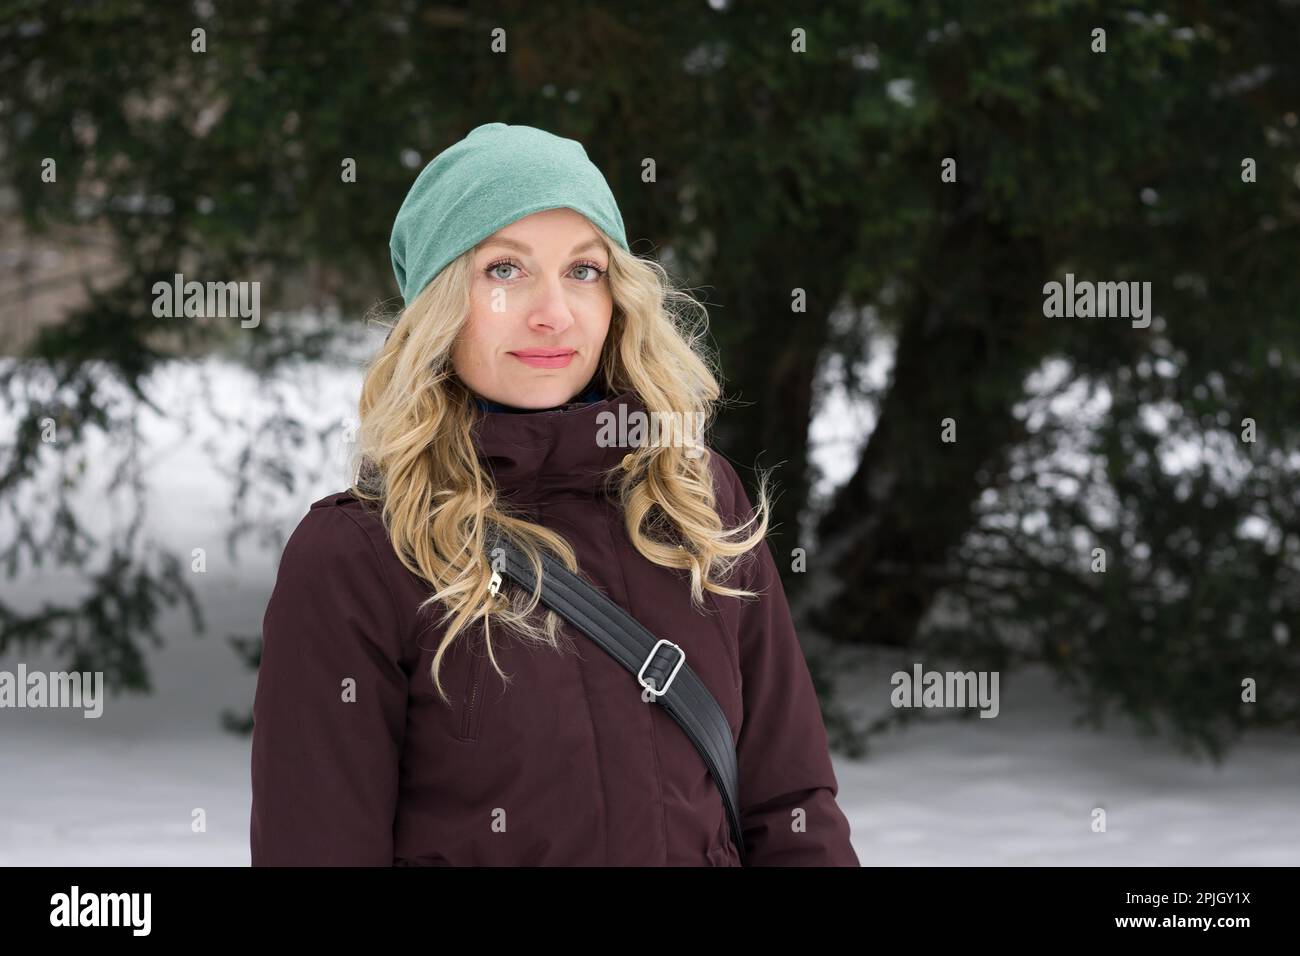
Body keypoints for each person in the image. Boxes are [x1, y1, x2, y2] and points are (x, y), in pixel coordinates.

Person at [250, 122, 858, 866]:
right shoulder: (361, 557)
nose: (553, 312)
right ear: (442, 301)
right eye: (504, 270)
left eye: (583, 270)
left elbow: (790, 806)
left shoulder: (697, 500)